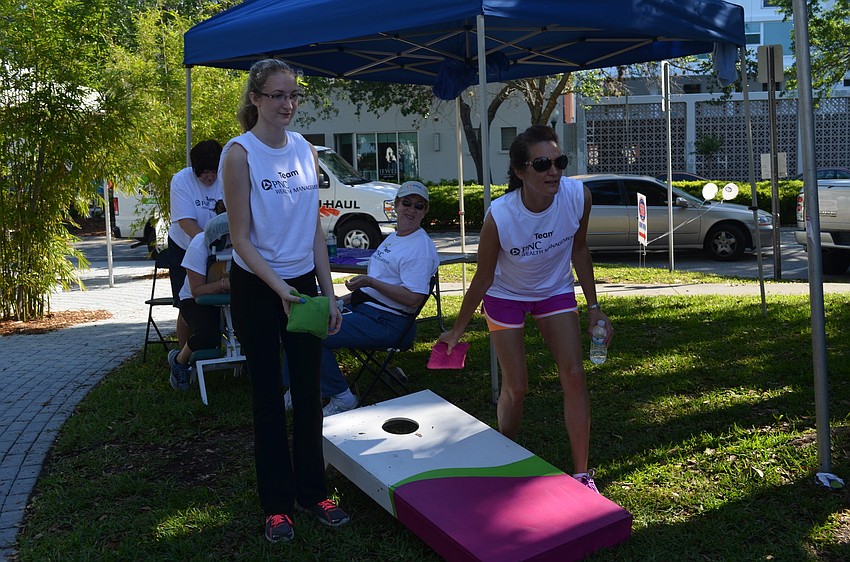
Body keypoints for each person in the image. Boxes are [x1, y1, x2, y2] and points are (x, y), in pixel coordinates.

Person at [438, 125, 612, 493]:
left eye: (559, 161)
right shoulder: (500, 215)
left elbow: (579, 249)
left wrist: (594, 306)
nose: (554, 171)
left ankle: (582, 474)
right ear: (520, 172)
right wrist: (457, 329)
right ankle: (507, 454)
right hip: (505, 296)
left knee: (575, 375)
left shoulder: (578, 196)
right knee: (516, 386)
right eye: (542, 164)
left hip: (555, 291)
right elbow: (483, 278)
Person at [221, 58, 348, 544]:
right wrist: (280, 290)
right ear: (255, 98)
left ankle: (313, 492)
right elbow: (240, 239)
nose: (288, 104)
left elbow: (312, 229)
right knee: (270, 398)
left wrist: (328, 291)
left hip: (302, 286)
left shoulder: (305, 150)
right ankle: (276, 506)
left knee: (311, 391)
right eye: (277, 96)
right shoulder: (239, 155)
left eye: (293, 94)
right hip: (258, 286)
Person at [283, 181, 438, 416]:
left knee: (311, 332)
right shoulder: (396, 237)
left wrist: (369, 281)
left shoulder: (419, 248)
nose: (411, 209)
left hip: (391, 324)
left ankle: (342, 397)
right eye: (406, 203)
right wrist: (341, 301)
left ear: (425, 212)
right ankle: (298, 387)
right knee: (297, 320)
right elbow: (372, 291)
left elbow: (414, 299)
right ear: (396, 205)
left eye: (419, 206)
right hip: (368, 312)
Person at [167, 139, 224, 349]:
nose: (210, 177)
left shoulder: (226, 178)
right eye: (204, 173)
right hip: (186, 247)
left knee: (219, 297)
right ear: (195, 169)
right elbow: (186, 222)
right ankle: (183, 355)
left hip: (220, 248)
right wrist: (205, 246)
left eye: (214, 172)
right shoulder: (182, 180)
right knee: (187, 302)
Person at [167, 212, 231, 391]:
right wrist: (226, 283)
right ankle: (179, 361)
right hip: (196, 299)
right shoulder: (199, 244)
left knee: (254, 328)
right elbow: (197, 291)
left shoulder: (245, 242)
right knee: (208, 335)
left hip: (232, 297)